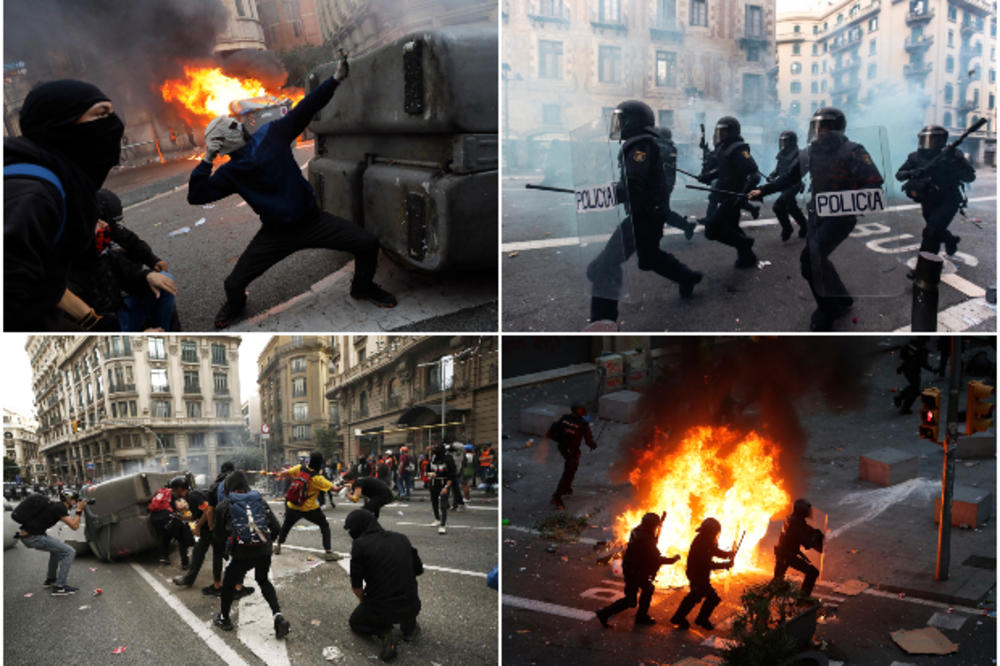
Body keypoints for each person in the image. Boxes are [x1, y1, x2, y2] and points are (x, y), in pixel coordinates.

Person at [186, 53, 396, 329]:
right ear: (224, 142)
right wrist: (207, 158)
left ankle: (362, 288)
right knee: (233, 283)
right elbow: (196, 196)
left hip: (313, 221)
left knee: (367, 243)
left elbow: (305, 109)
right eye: (233, 126)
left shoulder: (271, 135)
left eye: (236, 122)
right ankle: (237, 304)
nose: (240, 126)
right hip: (276, 234)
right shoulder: (231, 173)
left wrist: (334, 80)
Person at [5, 79, 125, 331]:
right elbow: (14, 304)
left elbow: (41, 285)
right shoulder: (33, 195)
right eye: (101, 114)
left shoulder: (61, 182)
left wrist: (87, 321)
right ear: (59, 123)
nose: (114, 124)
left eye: (112, 114)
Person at [750, 107, 884, 331]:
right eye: (817, 126)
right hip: (817, 215)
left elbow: (874, 183)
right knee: (818, 259)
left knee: (809, 262)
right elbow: (790, 178)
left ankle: (827, 309)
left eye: (825, 126)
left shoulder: (853, 151)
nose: (819, 131)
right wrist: (763, 190)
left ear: (836, 129)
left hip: (840, 217)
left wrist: (848, 201)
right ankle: (841, 297)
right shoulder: (809, 152)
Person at [585, 100, 703, 326]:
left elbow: (633, 185)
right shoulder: (644, 144)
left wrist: (600, 195)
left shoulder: (639, 146)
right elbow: (634, 184)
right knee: (648, 259)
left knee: (603, 268)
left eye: (621, 120)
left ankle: (603, 323)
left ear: (632, 122)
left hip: (643, 218)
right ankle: (687, 277)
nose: (617, 124)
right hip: (648, 216)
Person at [69, 188, 179, 331]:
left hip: (120, 312)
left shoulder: (101, 252)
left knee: (164, 280)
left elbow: (128, 268)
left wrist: (149, 274)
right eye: (97, 222)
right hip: (112, 329)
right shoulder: (65, 277)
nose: (104, 225)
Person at [212, 471, 289, 638]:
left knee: (228, 584)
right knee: (263, 580)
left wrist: (226, 553)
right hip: (264, 551)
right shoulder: (259, 501)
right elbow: (276, 528)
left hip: (241, 554)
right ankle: (278, 616)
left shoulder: (223, 506)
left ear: (228, 488)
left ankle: (224, 618)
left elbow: (218, 538)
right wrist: (265, 544)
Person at [344, 509, 423, 662]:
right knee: (404, 607)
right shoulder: (402, 538)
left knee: (355, 622)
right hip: (412, 604)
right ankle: (409, 628)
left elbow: (356, 587)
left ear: (359, 528)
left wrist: (366, 604)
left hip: (382, 609)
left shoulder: (360, 545)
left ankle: (385, 631)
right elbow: (418, 570)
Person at [895, 125, 976, 269]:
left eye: (931, 139)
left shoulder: (953, 154)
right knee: (935, 230)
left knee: (931, 232)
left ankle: (922, 270)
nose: (927, 143)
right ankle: (950, 240)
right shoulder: (915, 156)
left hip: (949, 200)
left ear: (940, 141)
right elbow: (899, 175)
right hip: (928, 201)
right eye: (925, 139)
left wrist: (953, 163)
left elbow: (970, 177)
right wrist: (913, 172)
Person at [697, 115, 761, 268]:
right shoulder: (725, 149)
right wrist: (708, 176)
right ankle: (748, 257)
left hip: (733, 196)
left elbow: (754, 173)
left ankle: (746, 243)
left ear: (732, 132)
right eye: (719, 132)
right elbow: (723, 170)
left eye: (723, 132)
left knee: (711, 229)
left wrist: (743, 194)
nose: (720, 135)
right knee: (732, 227)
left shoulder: (739, 148)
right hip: (725, 194)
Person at [596, 512, 679, 627]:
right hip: (635, 571)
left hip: (633, 568)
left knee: (648, 589)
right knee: (631, 600)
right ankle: (604, 613)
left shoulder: (638, 530)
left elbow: (650, 542)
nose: (656, 528)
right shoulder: (645, 539)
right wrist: (673, 559)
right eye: (655, 526)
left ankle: (641, 616)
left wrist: (659, 526)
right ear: (651, 526)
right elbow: (656, 558)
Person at [14, 490, 88, 595]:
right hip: (33, 537)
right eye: (75, 500)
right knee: (69, 552)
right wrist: (79, 509)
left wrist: (78, 510)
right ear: (69, 500)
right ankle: (60, 587)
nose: (75, 503)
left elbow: (70, 520)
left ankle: (51, 579)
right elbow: (75, 526)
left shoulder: (57, 506)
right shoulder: (60, 508)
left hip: (27, 536)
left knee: (56, 550)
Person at [273, 451, 340, 561]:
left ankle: (278, 546)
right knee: (324, 525)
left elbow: (286, 473)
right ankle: (328, 552)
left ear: (309, 460)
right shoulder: (318, 478)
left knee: (286, 526)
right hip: (309, 509)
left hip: (292, 505)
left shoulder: (300, 467)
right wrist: (345, 485)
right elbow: (335, 489)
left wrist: (288, 474)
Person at [670, 517, 734, 630]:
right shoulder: (702, 542)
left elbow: (714, 551)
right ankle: (701, 619)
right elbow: (707, 564)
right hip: (697, 574)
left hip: (698, 574)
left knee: (695, 596)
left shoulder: (706, 540)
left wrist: (727, 554)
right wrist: (724, 565)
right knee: (712, 598)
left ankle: (678, 618)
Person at [771, 499, 823, 599]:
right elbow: (807, 543)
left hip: (784, 554)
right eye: (807, 510)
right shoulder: (795, 524)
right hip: (786, 556)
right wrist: (816, 536)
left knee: (777, 582)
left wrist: (814, 532)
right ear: (802, 512)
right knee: (812, 572)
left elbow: (805, 528)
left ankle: (762, 599)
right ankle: (803, 600)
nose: (809, 512)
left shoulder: (793, 519)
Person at [547, 403, 596, 510]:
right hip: (572, 450)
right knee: (569, 472)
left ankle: (567, 488)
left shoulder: (565, 418)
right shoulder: (582, 424)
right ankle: (557, 496)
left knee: (572, 468)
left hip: (563, 448)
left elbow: (555, 429)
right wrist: (593, 445)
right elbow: (589, 440)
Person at [653, 127, 698, 240]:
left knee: (662, 212)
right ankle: (687, 226)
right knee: (662, 211)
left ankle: (686, 226)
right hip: (663, 184)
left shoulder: (666, 148)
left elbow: (660, 155)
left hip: (663, 185)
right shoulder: (669, 147)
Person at [148, 475, 195, 567]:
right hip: (167, 518)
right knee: (182, 538)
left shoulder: (161, 492)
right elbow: (180, 508)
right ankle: (185, 563)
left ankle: (164, 558)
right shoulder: (173, 494)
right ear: (178, 488)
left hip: (155, 520)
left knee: (165, 537)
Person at [769, 131, 807, 241]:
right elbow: (778, 169)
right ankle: (805, 226)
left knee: (778, 206)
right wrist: (772, 175)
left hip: (793, 185)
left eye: (785, 141)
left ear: (791, 142)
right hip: (784, 184)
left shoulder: (799, 154)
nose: (783, 144)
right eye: (782, 141)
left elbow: (794, 172)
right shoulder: (782, 153)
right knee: (791, 207)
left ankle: (787, 228)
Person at [894, 338, 933, 415]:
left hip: (906, 369)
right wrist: (932, 369)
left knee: (913, 387)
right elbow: (923, 363)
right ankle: (904, 405)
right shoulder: (922, 349)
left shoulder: (912, 344)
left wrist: (902, 367)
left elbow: (905, 357)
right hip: (914, 371)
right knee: (915, 390)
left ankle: (901, 398)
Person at [427, 444, 456, 534]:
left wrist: (446, 487)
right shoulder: (433, 458)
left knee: (443, 504)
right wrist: (430, 474)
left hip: (444, 483)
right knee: (434, 501)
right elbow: (427, 470)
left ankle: (443, 525)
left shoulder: (448, 459)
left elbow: (452, 475)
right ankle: (437, 519)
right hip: (433, 483)